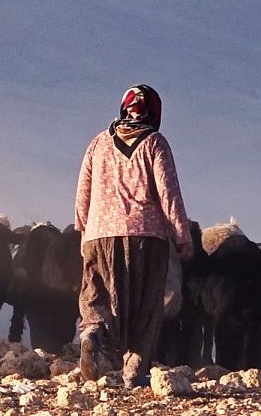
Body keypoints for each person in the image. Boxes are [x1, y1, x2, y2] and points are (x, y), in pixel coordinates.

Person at [74, 84, 192, 387]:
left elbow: (83, 191)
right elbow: (168, 192)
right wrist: (181, 234)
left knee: (96, 291)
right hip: (146, 235)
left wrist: (83, 229)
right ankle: (135, 371)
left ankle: (92, 332)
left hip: (98, 232)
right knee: (145, 303)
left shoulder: (98, 143)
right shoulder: (155, 142)